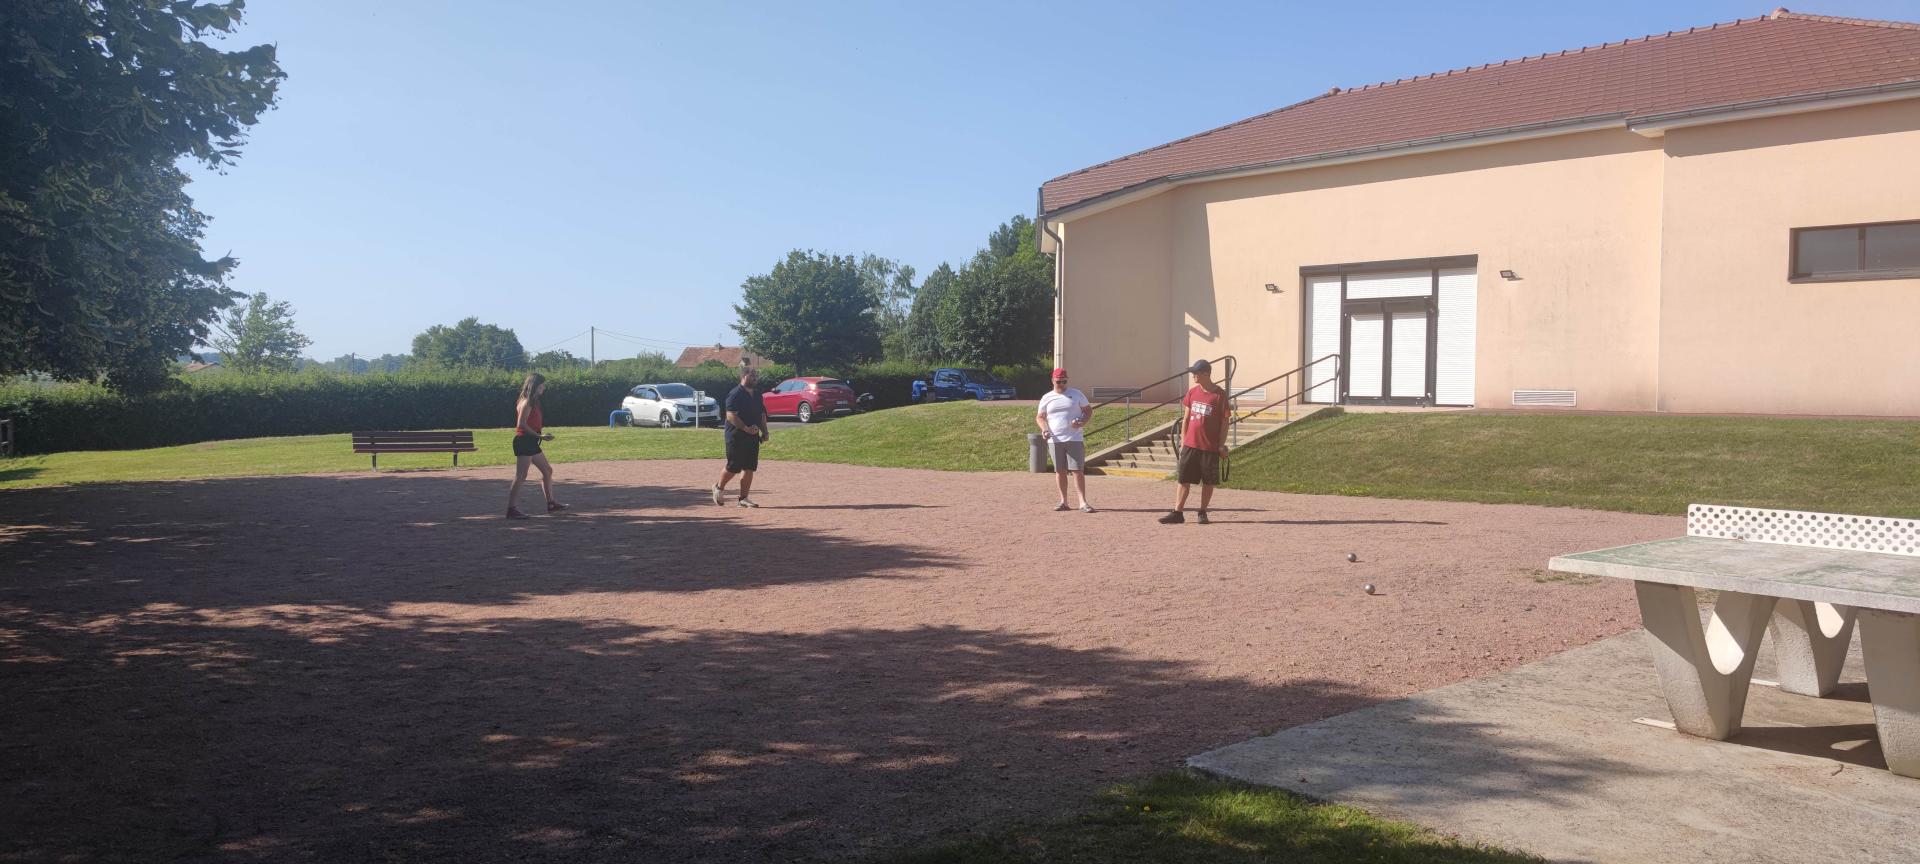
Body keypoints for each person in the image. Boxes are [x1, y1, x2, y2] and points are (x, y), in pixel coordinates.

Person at [1159, 359, 1228, 525]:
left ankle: (1203, 512)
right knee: (1183, 479)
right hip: (1191, 445)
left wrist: (1221, 444)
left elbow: (1225, 421)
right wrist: (1183, 440)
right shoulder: (1192, 392)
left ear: (1206, 374)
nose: (1193, 375)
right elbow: (1186, 418)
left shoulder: (1219, 395)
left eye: (1196, 373)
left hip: (1209, 446)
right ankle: (1178, 512)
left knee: (1208, 481)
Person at [507, 372, 566, 519]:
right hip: (524, 441)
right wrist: (540, 436)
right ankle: (511, 509)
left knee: (547, 470)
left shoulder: (532, 401)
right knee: (521, 475)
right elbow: (521, 424)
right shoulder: (526, 402)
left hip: (530, 441)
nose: (544, 388)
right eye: (542, 385)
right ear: (535, 385)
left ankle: (551, 503)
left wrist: (539, 435)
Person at [1035, 367, 1095, 513]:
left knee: (1077, 470)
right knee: (1060, 471)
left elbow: (1088, 410)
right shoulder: (1047, 397)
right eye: (1058, 381)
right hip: (1054, 440)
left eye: (1064, 381)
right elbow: (1040, 416)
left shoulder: (1076, 394)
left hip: (1074, 438)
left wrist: (1081, 422)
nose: (1061, 384)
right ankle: (1064, 501)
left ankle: (1083, 502)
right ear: (1052, 381)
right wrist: (1044, 429)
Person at [713, 367, 770, 508]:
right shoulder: (735, 394)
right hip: (736, 436)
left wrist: (765, 432)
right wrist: (746, 428)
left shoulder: (757, 395)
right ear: (744, 376)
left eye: (756, 375)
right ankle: (719, 488)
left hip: (753, 436)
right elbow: (731, 415)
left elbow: (762, 415)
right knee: (734, 467)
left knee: (749, 467)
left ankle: (743, 499)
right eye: (752, 375)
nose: (755, 378)